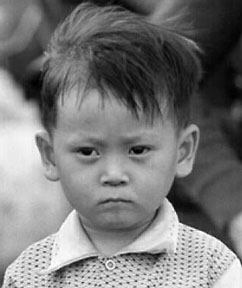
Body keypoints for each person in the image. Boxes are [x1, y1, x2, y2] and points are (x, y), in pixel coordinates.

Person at [2, 3, 242, 287]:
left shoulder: (214, 268)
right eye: (88, 152)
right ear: (49, 155)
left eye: (137, 151)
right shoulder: (29, 275)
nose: (114, 174)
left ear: (184, 151)